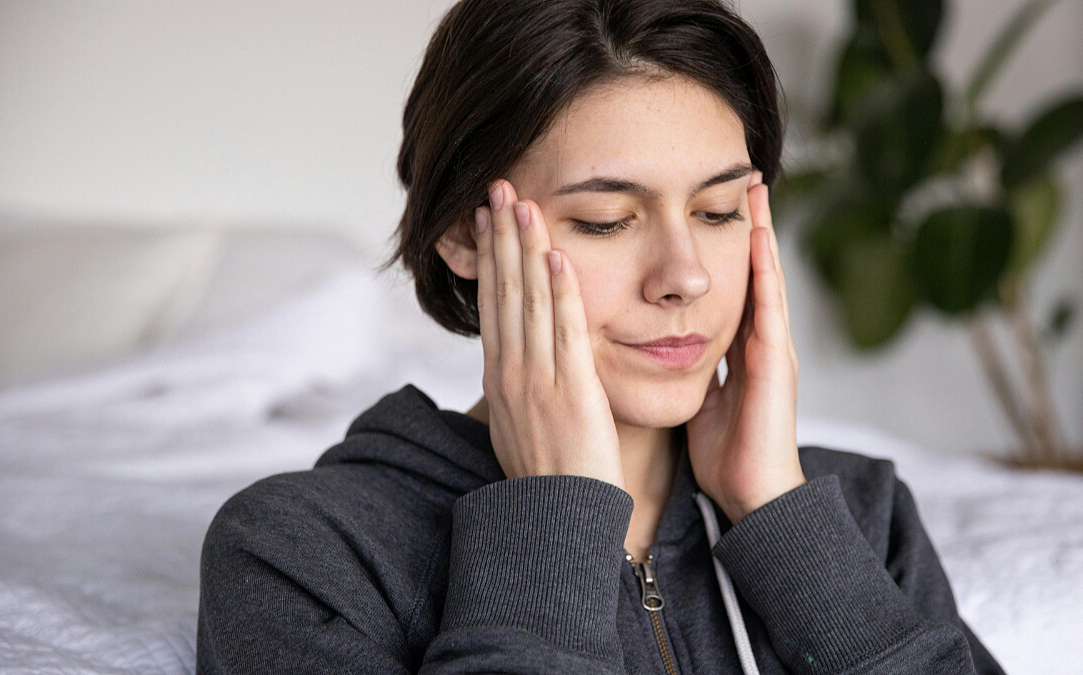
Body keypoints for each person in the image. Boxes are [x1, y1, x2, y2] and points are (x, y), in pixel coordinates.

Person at [196, 0, 1007, 672]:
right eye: (606, 220)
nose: (684, 275)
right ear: (464, 234)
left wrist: (780, 517)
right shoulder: (302, 555)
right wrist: (554, 516)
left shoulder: (862, 519)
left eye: (719, 210)